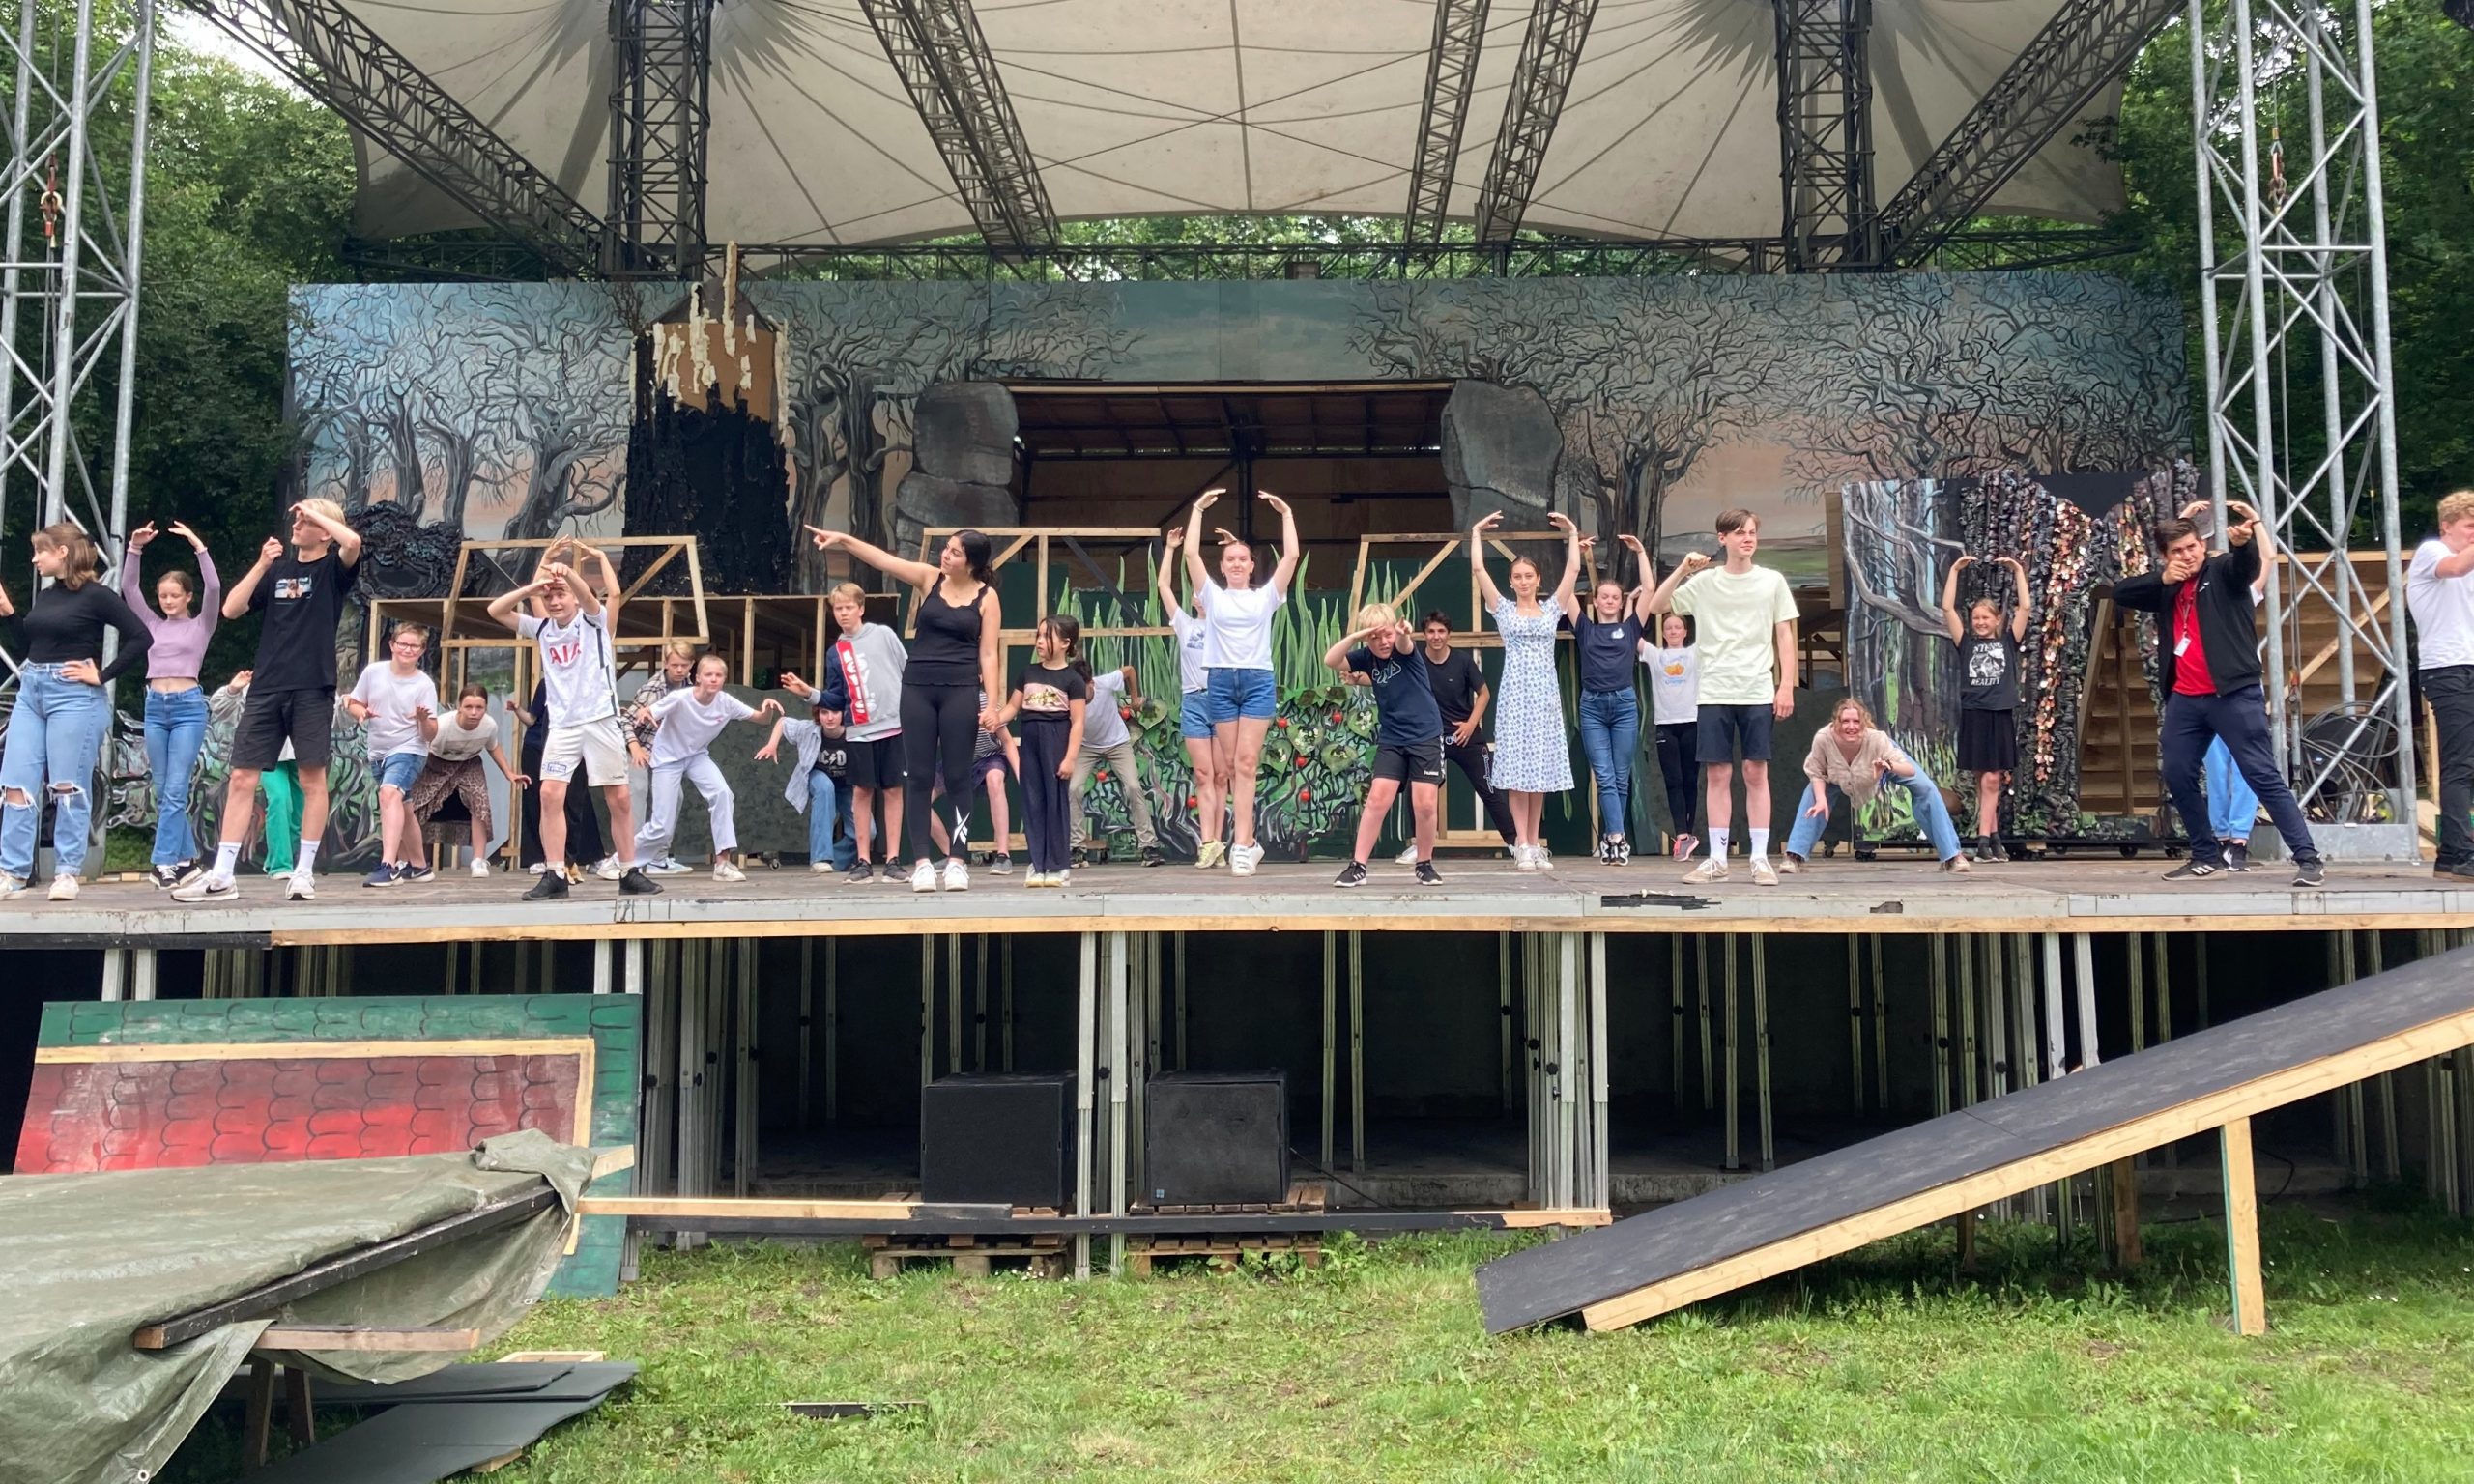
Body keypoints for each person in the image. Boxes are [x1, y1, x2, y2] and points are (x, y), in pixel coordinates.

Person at [2114, 503, 2325, 887]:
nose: (2187, 555)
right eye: (2177, 551)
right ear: (2166, 556)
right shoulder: (2168, 585)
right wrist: (2163, 578)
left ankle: (2308, 858)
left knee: (2260, 773)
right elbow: (2121, 592)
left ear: (2203, 545)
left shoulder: (2222, 570)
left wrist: (2243, 543)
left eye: (2192, 547)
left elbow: (2246, 567)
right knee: (2177, 770)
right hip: (2186, 697)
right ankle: (2205, 854)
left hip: (2234, 693)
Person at [175, 499, 361, 904]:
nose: (296, 524)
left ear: (325, 532)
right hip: (266, 688)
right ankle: (222, 875)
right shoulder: (278, 570)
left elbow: (352, 542)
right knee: (242, 777)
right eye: (296, 519)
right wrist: (262, 563)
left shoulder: (333, 569)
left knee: (311, 779)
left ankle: (303, 873)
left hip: (312, 687)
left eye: (305, 521)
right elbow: (231, 609)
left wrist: (317, 512)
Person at [808, 526, 1001, 894]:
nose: (946, 555)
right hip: (918, 689)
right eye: (946, 548)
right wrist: (844, 541)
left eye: (955, 552)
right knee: (919, 776)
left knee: (958, 776)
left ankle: (957, 861)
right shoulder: (930, 579)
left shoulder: (987, 597)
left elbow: (989, 654)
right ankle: (923, 862)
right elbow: (884, 560)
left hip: (961, 689)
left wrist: (991, 703)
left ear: (971, 562)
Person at [484, 539, 658, 900]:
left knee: (619, 798)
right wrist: (536, 585)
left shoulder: (593, 622)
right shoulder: (542, 629)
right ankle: (555, 873)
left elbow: (600, 596)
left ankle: (629, 870)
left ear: (575, 598)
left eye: (561, 595)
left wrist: (569, 573)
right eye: (549, 597)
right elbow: (495, 610)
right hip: (563, 724)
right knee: (549, 794)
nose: (554, 601)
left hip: (600, 720)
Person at [0, 523, 152, 901]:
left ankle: (67, 872)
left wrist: (102, 674)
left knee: (67, 784)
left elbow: (141, 637)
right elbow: (30, 646)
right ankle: (13, 872)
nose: (34, 559)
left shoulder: (96, 595)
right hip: (32, 689)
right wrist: (8, 612)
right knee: (16, 784)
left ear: (62, 552)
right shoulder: (47, 596)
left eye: (41, 551)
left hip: (74, 694)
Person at [1648, 508, 1798, 887]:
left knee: (1755, 771)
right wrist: (1683, 569)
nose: (1747, 539)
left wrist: (1786, 685)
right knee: (1718, 773)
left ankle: (1760, 857)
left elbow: (1784, 634)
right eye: (1739, 533)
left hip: (1756, 688)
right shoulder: (1705, 582)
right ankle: (1717, 859)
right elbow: (1656, 606)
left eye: (1752, 533)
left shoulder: (1772, 581)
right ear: (1723, 538)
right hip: (1714, 689)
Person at [1182, 488, 1302, 878]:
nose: (1236, 563)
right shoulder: (1212, 596)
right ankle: (1248, 843)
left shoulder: (1266, 597)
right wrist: (1198, 509)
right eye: (1230, 559)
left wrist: (1286, 513)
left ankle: (1242, 845)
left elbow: (1292, 556)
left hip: (1256, 681)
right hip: (1219, 681)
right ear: (1222, 567)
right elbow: (1190, 553)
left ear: (1252, 566)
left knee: (1247, 763)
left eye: (1242, 559)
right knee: (1232, 766)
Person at [1469, 510, 1579, 870]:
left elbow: (1573, 570)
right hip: (1516, 696)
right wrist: (1476, 533)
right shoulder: (1503, 609)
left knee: (1539, 772)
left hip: (1544, 697)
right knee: (1518, 772)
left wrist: (1572, 533)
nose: (1523, 581)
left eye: (1528, 575)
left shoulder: (1552, 610)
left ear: (1538, 579)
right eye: (1517, 576)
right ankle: (1521, 844)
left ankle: (1534, 842)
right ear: (1512, 582)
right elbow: (1479, 570)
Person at [788, 581, 906, 883]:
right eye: (838, 608)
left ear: (861, 608)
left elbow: (908, 671)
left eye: (848, 607)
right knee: (862, 790)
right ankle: (863, 861)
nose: (843, 613)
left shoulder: (884, 634)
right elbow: (837, 698)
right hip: (859, 730)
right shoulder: (835, 652)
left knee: (893, 789)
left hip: (893, 724)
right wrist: (809, 693)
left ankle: (893, 859)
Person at [123, 520, 219, 887]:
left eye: (174, 595)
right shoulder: (152, 624)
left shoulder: (201, 625)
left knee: (177, 788)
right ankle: (187, 860)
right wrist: (135, 548)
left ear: (187, 597)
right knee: (163, 791)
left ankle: (162, 863)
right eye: (163, 595)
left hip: (187, 707)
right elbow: (129, 588)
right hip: (154, 706)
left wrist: (198, 546)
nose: (167, 601)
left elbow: (214, 587)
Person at [1324, 602, 1447, 887]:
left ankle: (1425, 864)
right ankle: (1358, 866)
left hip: (1425, 735)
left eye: (1387, 634)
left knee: (1425, 804)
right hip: (1393, 738)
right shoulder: (1366, 656)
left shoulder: (1404, 650)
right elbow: (1331, 660)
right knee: (1377, 798)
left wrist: (1401, 633)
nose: (1383, 642)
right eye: (1375, 637)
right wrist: (1356, 636)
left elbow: (1404, 644)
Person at [635, 652, 783, 882]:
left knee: (723, 793)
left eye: (719, 675)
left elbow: (761, 719)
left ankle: (722, 864)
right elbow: (649, 711)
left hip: (697, 756)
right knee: (661, 825)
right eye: (708, 675)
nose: (714, 679)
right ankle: (622, 861)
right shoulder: (680, 698)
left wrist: (768, 708)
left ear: (724, 679)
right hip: (667, 759)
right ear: (698, 678)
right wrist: (644, 713)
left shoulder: (726, 702)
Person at [1780, 697, 1970, 874]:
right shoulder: (1823, 739)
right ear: (1836, 722)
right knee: (1813, 795)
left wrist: (1888, 765)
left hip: (1882, 765)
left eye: (1856, 722)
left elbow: (1909, 770)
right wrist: (1821, 800)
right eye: (1845, 721)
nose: (1851, 727)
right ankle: (1794, 856)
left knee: (1926, 789)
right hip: (1838, 775)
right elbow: (1816, 772)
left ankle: (1953, 857)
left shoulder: (1878, 740)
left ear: (1864, 723)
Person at [1559, 532, 1655, 864]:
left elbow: (1650, 590)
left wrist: (1641, 552)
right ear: (1596, 601)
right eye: (1605, 596)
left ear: (1620, 600)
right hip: (1593, 707)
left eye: (1615, 596)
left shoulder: (1631, 628)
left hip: (1625, 705)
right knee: (1604, 775)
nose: (1610, 600)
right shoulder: (1585, 628)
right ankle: (1616, 837)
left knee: (1621, 775)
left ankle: (1615, 837)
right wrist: (1575, 551)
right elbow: (1565, 591)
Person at [1392, 611, 1516, 864]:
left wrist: (1471, 724)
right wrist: (1357, 678)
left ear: (1449, 634)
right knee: (1418, 789)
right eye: (1431, 631)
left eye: (1441, 631)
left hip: (1465, 736)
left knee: (1489, 789)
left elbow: (1484, 694)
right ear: (1424, 635)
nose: (1436, 636)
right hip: (1430, 737)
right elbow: (1386, 677)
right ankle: (1418, 846)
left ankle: (1516, 844)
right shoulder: (1415, 660)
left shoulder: (1463, 661)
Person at [1940, 553, 2030, 863]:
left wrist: (2018, 572)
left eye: (1985, 618)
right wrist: (1954, 571)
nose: (1980, 622)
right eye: (1976, 618)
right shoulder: (1966, 643)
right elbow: (1947, 608)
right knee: (1984, 780)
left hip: (1999, 714)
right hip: (1975, 714)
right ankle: (1994, 839)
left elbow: (2025, 608)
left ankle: (1983, 841)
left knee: (1992, 780)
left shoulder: (2007, 642)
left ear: (1997, 620)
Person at [2406, 489, 2474, 879]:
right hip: (2448, 667)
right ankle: (2459, 852)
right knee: (2460, 762)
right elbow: (2456, 568)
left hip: (2467, 663)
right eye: (2470, 526)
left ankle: (2450, 854)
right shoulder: (2432, 551)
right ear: (2447, 526)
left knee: (2464, 761)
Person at [993, 614, 1089, 888]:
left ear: (1065, 643)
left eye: (1047, 637)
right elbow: (1013, 707)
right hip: (1031, 740)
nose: (1039, 642)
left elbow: (1078, 722)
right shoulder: (1028, 673)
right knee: (1033, 801)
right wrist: (994, 719)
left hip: (1056, 740)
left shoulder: (1073, 680)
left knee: (1055, 802)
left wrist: (1070, 758)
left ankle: (1058, 865)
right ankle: (1037, 863)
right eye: (1038, 635)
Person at [345, 622, 443, 888]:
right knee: (404, 808)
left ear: (422, 650)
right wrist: (362, 713)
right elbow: (354, 702)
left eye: (414, 646)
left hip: (410, 749)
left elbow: (430, 734)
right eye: (403, 644)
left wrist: (423, 719)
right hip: (378, 751)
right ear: (392, 645)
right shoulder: (373, 672)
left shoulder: (424, 685)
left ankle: (389, 865)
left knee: (388, 794)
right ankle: (420, 867)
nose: (407, 650)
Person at [407, 683, 526, 876]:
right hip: (436, 762)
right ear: (459, 707)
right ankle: (416, 861)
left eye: (479, 707)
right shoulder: (444, 724)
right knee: (418, 806)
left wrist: (509, 772)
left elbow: (493, 747)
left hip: (468, 763)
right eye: (468, 707)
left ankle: (478, 860)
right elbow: (424, 743)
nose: (473, 712)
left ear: (485, 708)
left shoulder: (489, 725)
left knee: (480, 801)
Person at [1159, 527, 1224, 864]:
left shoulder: (1226, 623)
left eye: (1204, 591)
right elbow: (1163, 586)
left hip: (1223, 700)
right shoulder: (1185, 624)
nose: (1199, 596)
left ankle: (1221, 842)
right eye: (1196, 592)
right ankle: (1207, 842)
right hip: (1194, 700)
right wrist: (1171, 548)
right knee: (1202, 774)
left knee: (1221, 775)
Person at [1072, 662, 1165, 868]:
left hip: (1117, 743)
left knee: (1133, 786)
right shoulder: (1068, 696)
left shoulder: (1105, 683)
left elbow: (1129, 670)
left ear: (1091, 683)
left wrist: (1135, 699)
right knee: (1073, 788)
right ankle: (1076, 848)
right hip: (1086, 746)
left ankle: (1148, 846)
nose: (1078, 694)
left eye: (1081, 688)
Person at [509, 680, 606, 876]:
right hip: (538, 746)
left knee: (579, 799)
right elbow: (532, 719)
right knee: (536, 798)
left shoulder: (587, 682)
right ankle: (535, 858)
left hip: (573, 746)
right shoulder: (547, 683)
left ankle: (591, 857)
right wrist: (517, 710)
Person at [210, 670, 302, 874]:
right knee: (279, 799)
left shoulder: (306, 677)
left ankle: (277, 859)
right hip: (267, 754)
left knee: (299, 814)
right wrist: (233, 689)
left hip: (301, 754)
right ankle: (280, 865)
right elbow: (219, 707)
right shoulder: (258, 681)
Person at [756, 694, 857, 874]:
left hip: (846, 785)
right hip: (818, 776)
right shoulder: (809, 729)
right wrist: (772, 745)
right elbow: (783, 722)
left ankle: (836, 860)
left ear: (843, 714)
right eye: (824, 712)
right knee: (825, 788)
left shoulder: (854, 733)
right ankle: (820, 859)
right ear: (818, 714)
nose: (830, 717)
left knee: (868, 831)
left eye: (835, 712)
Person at [928, 691, 1020, 873]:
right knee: (920, 799)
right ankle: (952, 856)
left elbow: (1008, 742)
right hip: (956, 761)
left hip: (990, 757)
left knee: (995, 779)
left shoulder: (986, 701)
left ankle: (1003, 855)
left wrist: (1020, 774)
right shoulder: (942, 703)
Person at [626, 640, 697, 874]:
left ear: (691, 665)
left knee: (675, 797)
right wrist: (635, 748)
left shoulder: (690, 688)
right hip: (638, 748)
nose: (679, 670)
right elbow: (625, 722)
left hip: (664, 753)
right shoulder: (653, 689)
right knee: (637, 792)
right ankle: (631, 859)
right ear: (665, 663)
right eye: (675, 665)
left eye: (684, 665)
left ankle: (658, 858)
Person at [1641, 613, 1701, 860]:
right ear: (1663, 633)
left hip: (1691, 722)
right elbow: (1632, 634)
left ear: (1685, 632)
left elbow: (1713, 629)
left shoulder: (1694, 653)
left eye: (1678, 627)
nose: (1674, 631)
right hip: (1665, 725)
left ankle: (1690, 833)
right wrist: (1633, 601)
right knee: (1673, 781)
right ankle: (1682, 836)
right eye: (1669, 628)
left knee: (1690, 780)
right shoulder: (1656, 656)